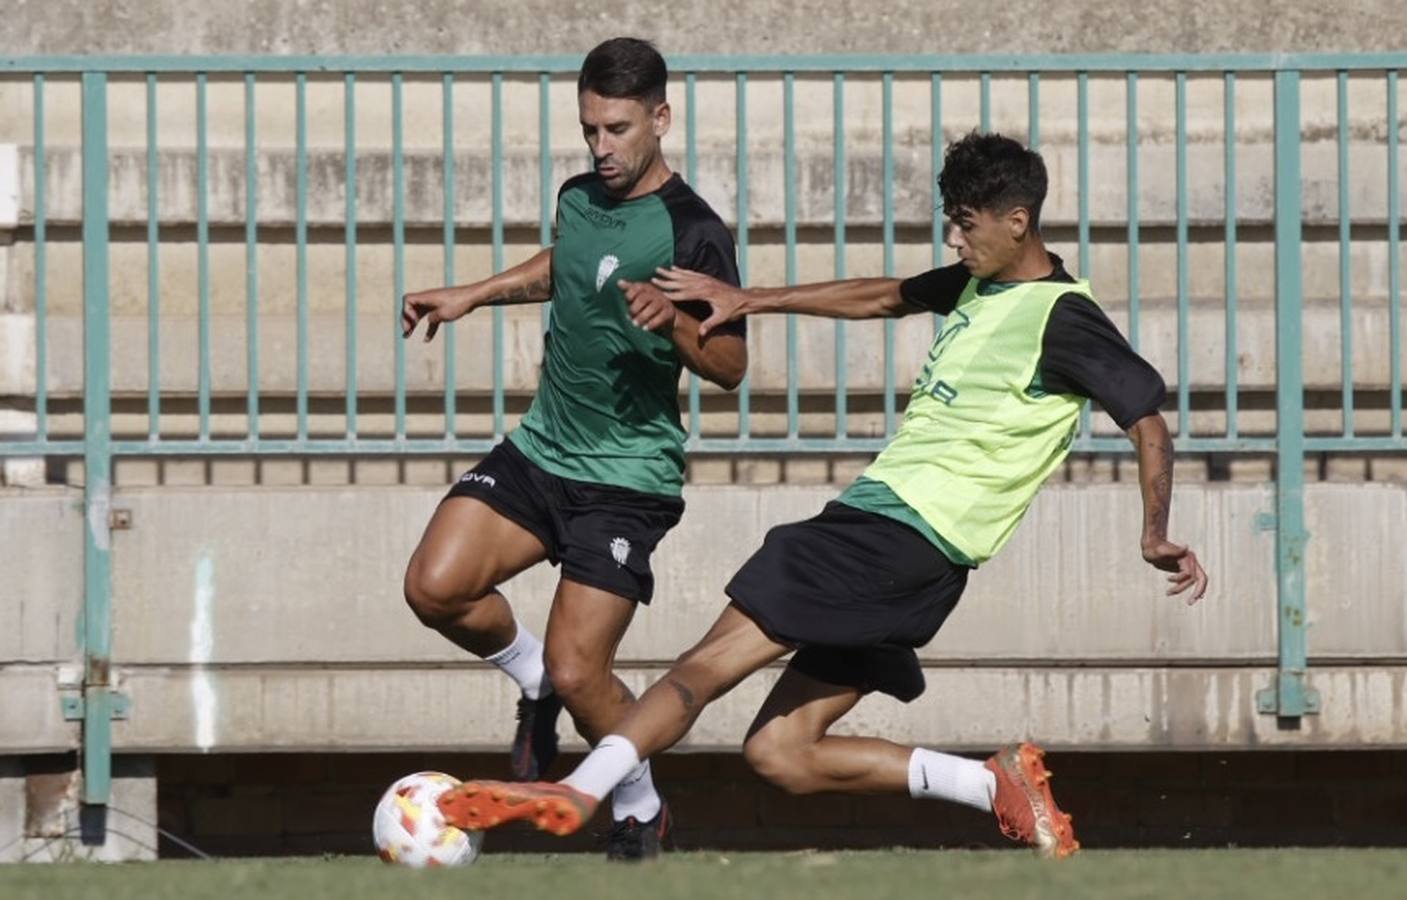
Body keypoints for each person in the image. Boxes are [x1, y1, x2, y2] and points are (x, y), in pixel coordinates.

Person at [433, 131, 1208, 859]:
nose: (954, 241)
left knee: (697, 670)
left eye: (965, 226)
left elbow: (1145, 418)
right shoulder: (980, 283)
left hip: (883, 535)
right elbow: (880, 296)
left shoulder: (1062, 319)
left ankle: (575, 792)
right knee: (782, 755)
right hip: (920, 565)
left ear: (1017, 221)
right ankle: (992, 782)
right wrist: (751, 300)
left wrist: (1153, 532)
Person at [398, 36, 747, 861]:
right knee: (434, 588)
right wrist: (472, 294)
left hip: (626, 480)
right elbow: (569, 263)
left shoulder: (694, 231)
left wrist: (681, 331)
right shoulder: (578, 196)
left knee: (583, 669)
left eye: (617, 129)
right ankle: (530, 683)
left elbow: (731, 367)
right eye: (589, 129)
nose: (601, 147)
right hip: (543, 449)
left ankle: (638, 806)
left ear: (659, 119)